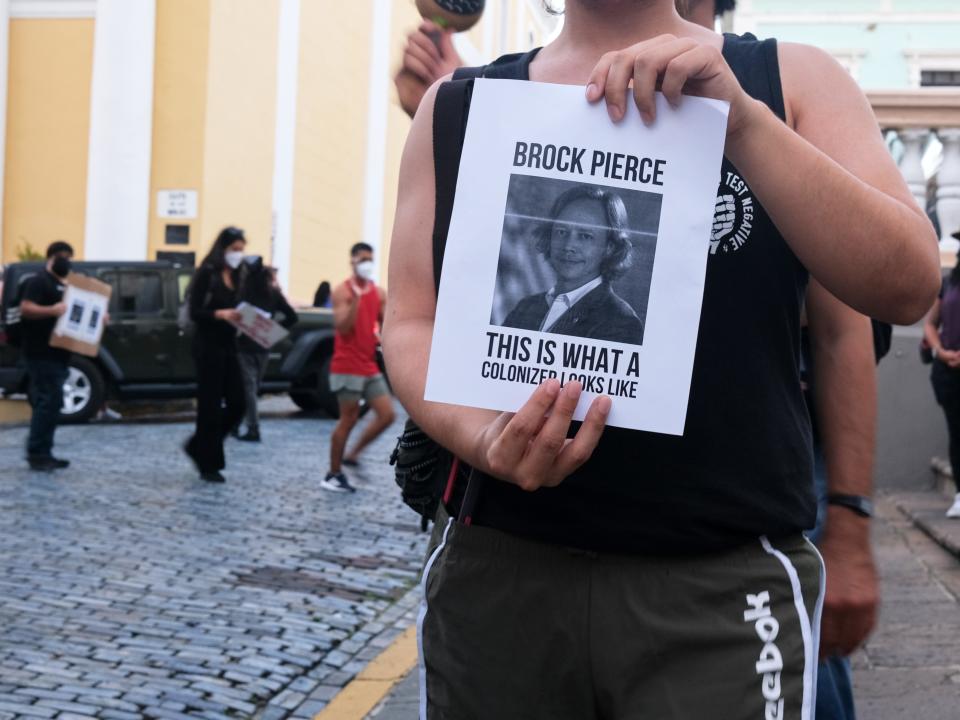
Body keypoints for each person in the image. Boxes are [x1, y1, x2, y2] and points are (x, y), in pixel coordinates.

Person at [384, 0, 940, 717]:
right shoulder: (458, 106)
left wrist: (742, 123)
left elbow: (905, 282)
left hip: (718, 583)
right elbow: (412, 323)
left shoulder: (789, 79)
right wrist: (480, 436)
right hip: (501, 569)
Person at [502, 185, 644, 345]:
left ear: (609, 247)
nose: (568, 245)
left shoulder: (621, 323)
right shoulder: (525, 308)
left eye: (585, 236)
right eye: (561, 232)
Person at [323, 243, 395, 493]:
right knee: (348, 419)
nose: (367, 263)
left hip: (368, 365)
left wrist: (383, 339)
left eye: (370, 259)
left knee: (387, 415)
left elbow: (385, 326)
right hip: (346, 366)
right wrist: (356, 300)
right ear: (352, 260)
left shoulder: (379, 292)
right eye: (363, 259)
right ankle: (332, 474)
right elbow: (343, 327)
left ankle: (353, 454)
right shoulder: (342, 291)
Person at [183, 227, 247, 483]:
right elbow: (195, 311)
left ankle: (199, 445)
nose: (238, 255)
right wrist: (220, 314)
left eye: (241, 250)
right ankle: (208, 463)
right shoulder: (207, 273)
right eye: (235, 250)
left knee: (238, 402)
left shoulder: (238, 274)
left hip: (229, 344)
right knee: (209, 406)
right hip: (207, 346)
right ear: (223, 248)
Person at [19, 241, 74, 471]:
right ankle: (37, 452)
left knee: (53, 403)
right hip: (40, 352)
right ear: (52, 258)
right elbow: (26, 308)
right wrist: (51, 310)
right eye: (64, 257)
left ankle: (45, 451)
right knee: (46, 401)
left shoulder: (63, 285)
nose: (67, 262)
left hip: (58, 353)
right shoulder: (38, 281)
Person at [234, 260, 299, 442]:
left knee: (248, 389)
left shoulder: (241, 294)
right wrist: (272, 329)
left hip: (244, 346)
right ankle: (239, 424)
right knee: (252, 389)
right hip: (264, 345)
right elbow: (292, 317)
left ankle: (252, 427)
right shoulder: (272, 293)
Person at [924, 245, 960, 518]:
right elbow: (930, 324)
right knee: (957, 433)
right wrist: (940, 351)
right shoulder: (948, 283)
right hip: (948, 371)